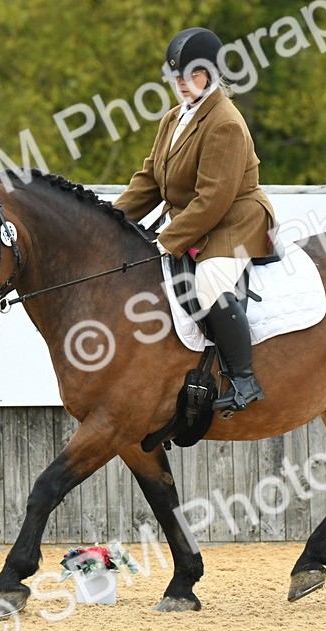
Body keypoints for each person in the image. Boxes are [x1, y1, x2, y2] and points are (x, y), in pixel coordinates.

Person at [113, 27, 276, 413]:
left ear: (212, 73)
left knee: (208, 282)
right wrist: (110, 220)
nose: (182, 84)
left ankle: (243, 379)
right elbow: (151, 179)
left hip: (235, 221)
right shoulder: (174, 119)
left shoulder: (226, 123)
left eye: (193, 75)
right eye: (176, 77)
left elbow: (214, 199)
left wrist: (166, 239)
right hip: (197, 218)